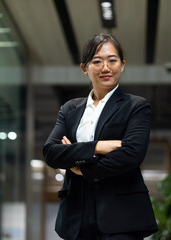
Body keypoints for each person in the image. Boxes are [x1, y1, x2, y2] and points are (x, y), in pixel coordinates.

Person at [43, 33, 158, 240]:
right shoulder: (70, 109)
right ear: (84, 68)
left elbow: (132, 154)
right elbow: (51, 152)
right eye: (97, 61)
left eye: (112, 60)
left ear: (122, 65)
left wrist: (80, 166)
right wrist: (98, 147)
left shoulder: (136, 106)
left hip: (121, 216)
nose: (106, 68)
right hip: (75, 215)